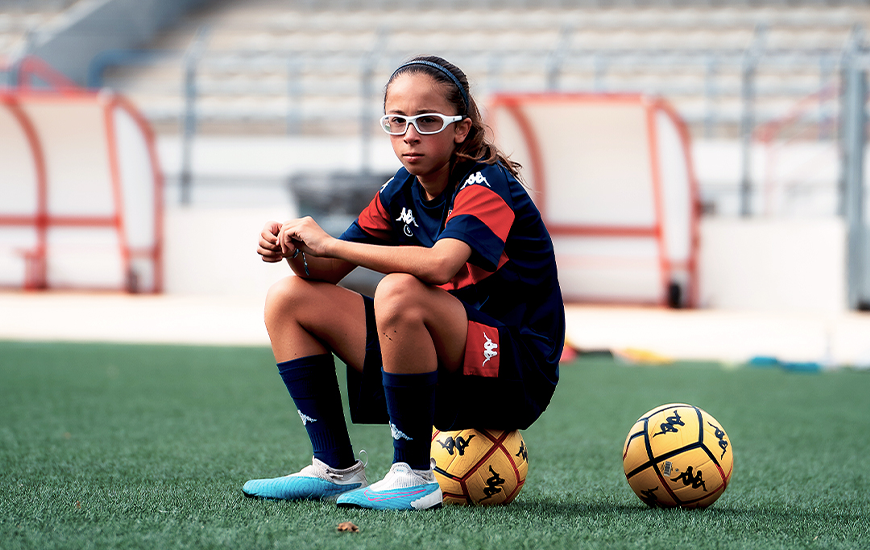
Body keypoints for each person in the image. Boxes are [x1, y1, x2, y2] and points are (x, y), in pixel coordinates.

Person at [243, 55, 564, 511]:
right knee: (289, 298)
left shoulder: (486, 184)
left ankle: (413, 473)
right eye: (397, 120)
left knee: (399, 290)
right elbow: (323, 274)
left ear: (461, 129)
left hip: (514, 371)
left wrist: (330, 244)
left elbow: (439, 266)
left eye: (427, 120)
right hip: (440, 358)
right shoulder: (401, 190)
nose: (410, 133)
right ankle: (335, 468)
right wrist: (295, 251)